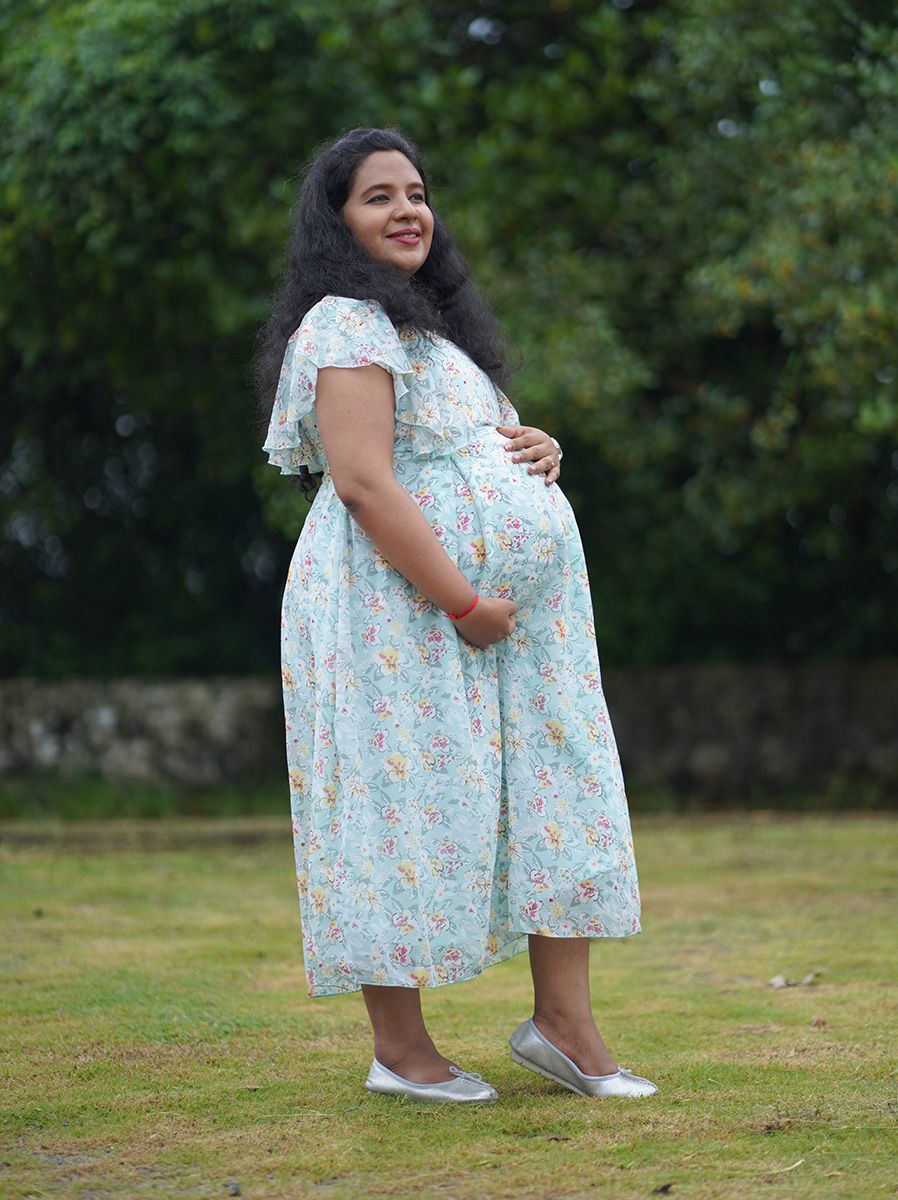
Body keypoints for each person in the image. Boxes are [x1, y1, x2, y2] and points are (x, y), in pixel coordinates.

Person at [254, 126, 657, 1104]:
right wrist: (464, 599)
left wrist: (535, 447)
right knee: (401, 805)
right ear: (335, 222)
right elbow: (360, 480)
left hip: (523, 631)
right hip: (402, 613)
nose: (408, 211)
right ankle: (401, 1052)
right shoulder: (346, 321)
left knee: (559, 792)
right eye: (378, 196)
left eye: (417, 192)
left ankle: (564, 1026)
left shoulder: (429, 332)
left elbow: (468, 450)